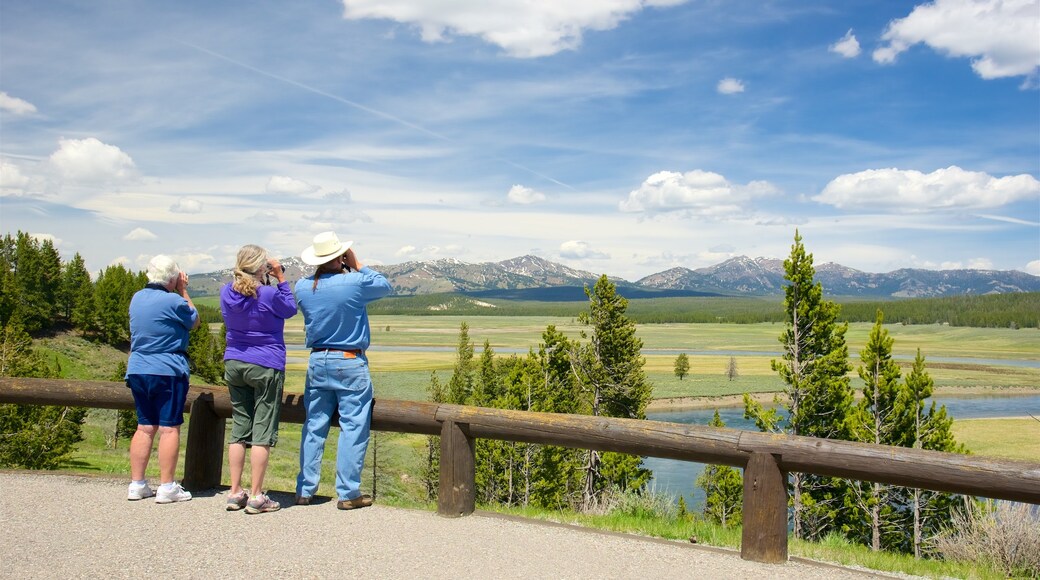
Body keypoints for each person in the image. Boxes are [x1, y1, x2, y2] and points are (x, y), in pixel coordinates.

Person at [294, 231, 392, 510]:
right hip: (349, 360)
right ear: (340, 256)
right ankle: (348, 493)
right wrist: (358, 263)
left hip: (317, 360)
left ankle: (305, 489)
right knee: (353, 427)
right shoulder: (354, 281)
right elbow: (384, 285)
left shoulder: (302, 287)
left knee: (314, 426)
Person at [220, 244, 298, 514]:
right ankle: (255, 496)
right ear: (261, 268)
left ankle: (234, 492)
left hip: (234, 361)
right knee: (262, 430)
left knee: (239, 427)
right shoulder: (268, 293)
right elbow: (290, 309)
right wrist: (281, 278)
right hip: (266, 363)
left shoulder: (225, 292)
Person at [125, 255, 200, 503]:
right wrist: (183, 289)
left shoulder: (137, 298)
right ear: (172, 278)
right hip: (167, 369)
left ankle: (137, 484)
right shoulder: (174, 301)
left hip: (138, 368)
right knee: (169, 428)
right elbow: (195, 321)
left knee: (145, 426)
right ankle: (167, 486)